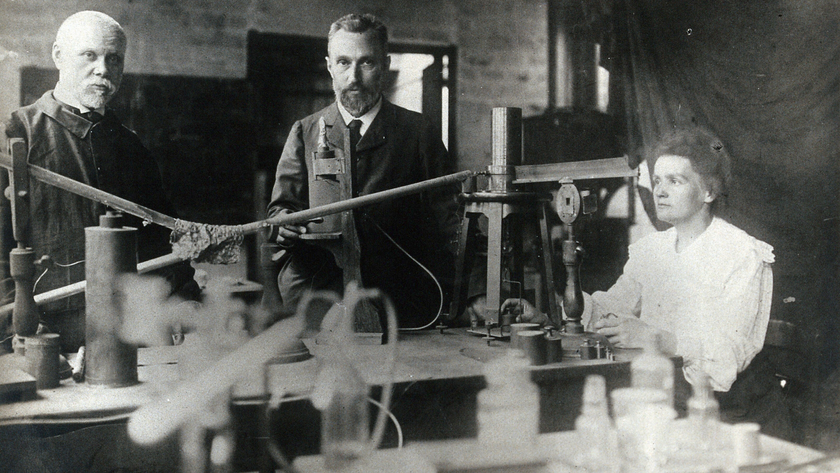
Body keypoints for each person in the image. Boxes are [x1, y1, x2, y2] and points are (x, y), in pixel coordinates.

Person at [502, 127, 791, 437]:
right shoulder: (654, 250)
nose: (660, 192)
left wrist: (652, 337)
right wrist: (549, 316)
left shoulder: (741, 253)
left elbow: (728, 354)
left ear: (708, 192)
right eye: (656, 181)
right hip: (667, 400)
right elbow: (608, 310)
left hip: (734, 416)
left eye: (674, 181)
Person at [2, 11, 199, 351]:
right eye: (89, 55)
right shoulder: (15, 136)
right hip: (43, 336)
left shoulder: (131, 148)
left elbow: (163, 242)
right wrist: (14, 325)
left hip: (127, 334)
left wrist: (183, 300)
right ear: (59, 56)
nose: (103, 69)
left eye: (114, 59)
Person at [266, 13, 459, 328]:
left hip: (400, 305)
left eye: (366, 63)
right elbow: (281, 210)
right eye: (343, 63)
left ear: (385, 65)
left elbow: (450, 221)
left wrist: (475, 291)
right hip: (319, 302)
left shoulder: (418, 131)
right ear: (330, 66)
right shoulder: (305, 131)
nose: (353, 77)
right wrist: (283, 224)